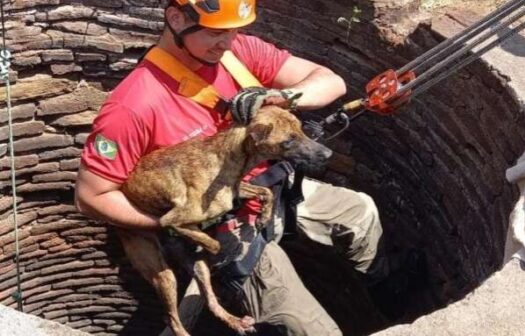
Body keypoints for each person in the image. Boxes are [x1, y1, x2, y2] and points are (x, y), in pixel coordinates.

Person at [75, 0, 416, 334]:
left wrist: (284, 97)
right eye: (215, 33)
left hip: (271, 189)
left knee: (361, 213)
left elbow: (331, 81)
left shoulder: (236, 55)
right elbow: (92, 197)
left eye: (235, 31)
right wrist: (175, 222)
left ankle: (387, 295)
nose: (227, 42)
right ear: (177, 19)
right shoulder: (133, 106)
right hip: (225, 227)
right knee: (311, 329)